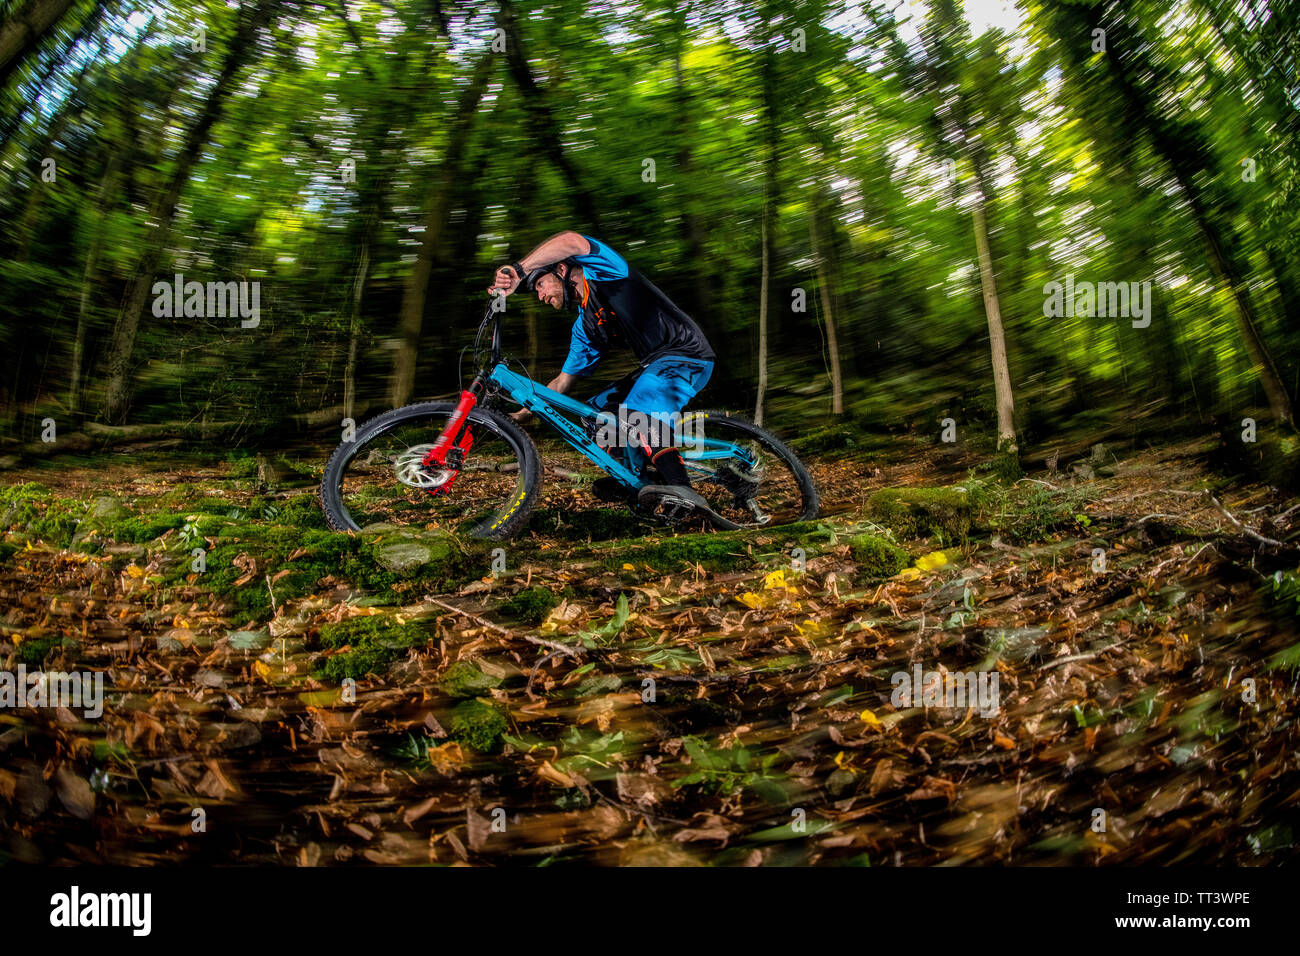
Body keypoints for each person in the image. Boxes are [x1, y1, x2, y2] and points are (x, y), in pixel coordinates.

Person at [488, 231, 716, 517]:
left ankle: (682, 487)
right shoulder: (585, 327)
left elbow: (572, 241)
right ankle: (640, 480)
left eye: (540, 285)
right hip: (654, 366)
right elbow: (562, 382)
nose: (541, 296)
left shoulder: (607, 274)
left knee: (636, 411)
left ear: (561, 269)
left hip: (686, 355)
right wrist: (522, 414)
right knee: (595, 414)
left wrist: (519, 270)